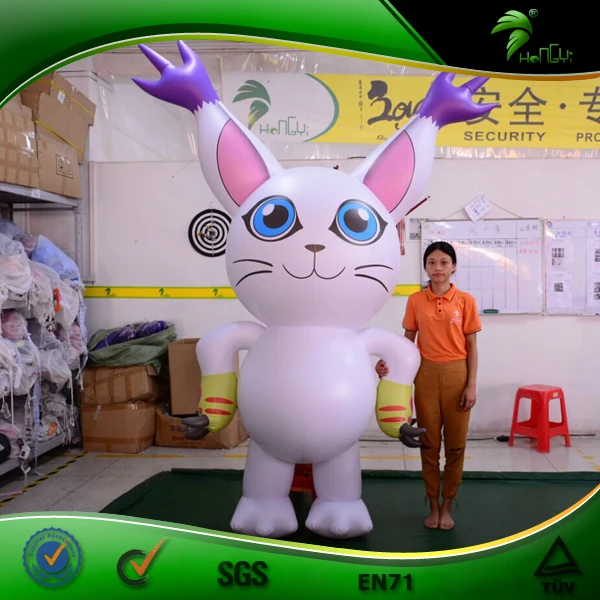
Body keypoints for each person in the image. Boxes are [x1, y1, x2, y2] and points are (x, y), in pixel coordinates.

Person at [376, 241, 481, 531]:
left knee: (456, 447)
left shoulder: (466, 301)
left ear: (454, 266)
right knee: (429, 445)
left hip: (457, 375)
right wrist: (387, 363)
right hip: (424, 376)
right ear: (425, 266)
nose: (438, 268)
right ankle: (433, 505)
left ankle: (448, 505)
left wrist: (471, 385)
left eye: (444, 262)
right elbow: (406, 343)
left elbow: (472, 347)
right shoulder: (415, 301)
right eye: (432, 262)